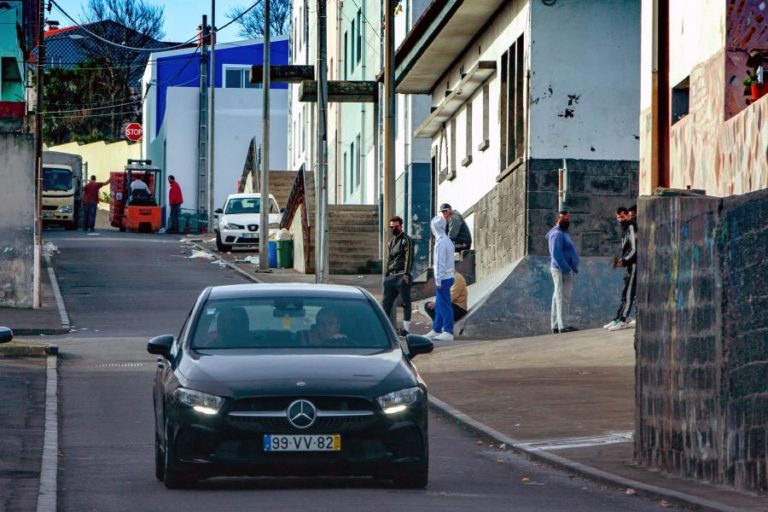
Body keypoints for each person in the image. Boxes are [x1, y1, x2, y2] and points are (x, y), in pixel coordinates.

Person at [604, 207, 638, 331]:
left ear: (628, 216)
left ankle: (622, 320)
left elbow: (634, 249)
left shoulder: (631, 227)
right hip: (629, 265)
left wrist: (624, 261)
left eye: (623, 217)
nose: (620, 219)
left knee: (628, 294)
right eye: (619, 217)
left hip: (634, 265)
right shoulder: (625, 229)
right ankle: (619, 317)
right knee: (627, 294)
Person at [546, 211, 580, 334]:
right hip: (561, 270)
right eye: (563, 219)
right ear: (557, 221)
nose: (566, 221)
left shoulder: (563, 233)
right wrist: (567, 269)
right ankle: (563, 325)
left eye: (567, 219)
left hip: (563, 269)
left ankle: (556, 325)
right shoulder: (556, 234)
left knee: (557, 297)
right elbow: (556, 254)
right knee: (563, 297)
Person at [424, 215, 456, 341]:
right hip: (448, 276)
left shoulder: (440, 243)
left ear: (434, 228)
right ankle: (437, 329)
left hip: (443, 277)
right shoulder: (447, 241)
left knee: (444, 305)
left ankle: (448, 331)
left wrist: (437, 280)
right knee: (441, 304)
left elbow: (439, 264)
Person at [381, 216, 414, 336]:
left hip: (401, 275)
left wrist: (406, 273)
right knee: (386, 303)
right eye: (392, 227)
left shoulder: (407, 240)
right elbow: (389, 259)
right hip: (391, 276)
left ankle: (406, 329)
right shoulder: (391, 241)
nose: (394, 229)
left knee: (406, 302)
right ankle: (384, 328)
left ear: (401, 226)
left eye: (396, 226)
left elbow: (409, 257)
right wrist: (387, 275)